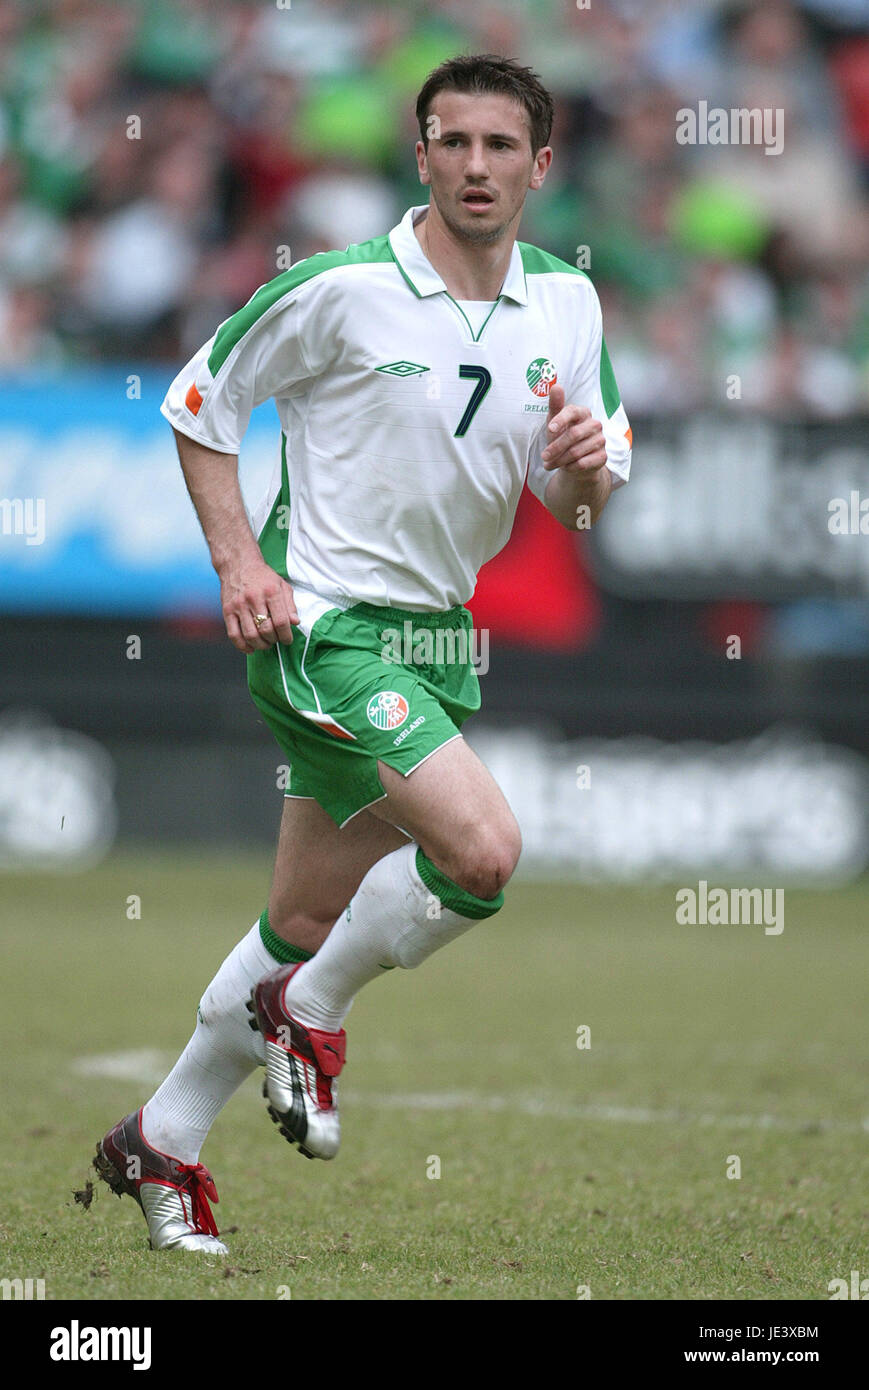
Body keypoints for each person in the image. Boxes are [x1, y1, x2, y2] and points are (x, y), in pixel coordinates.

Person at [93, 53, 633, 1254]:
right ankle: (310, 1011)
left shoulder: (568, 306)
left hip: (436, 639)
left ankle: (160, 1143)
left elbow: (579, 503)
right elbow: (198, 406)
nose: (476, 166)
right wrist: (241, 566)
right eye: (453, 142)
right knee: (483, 851)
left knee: (299, 913)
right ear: (422, 152)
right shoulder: (339, 289)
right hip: (322, 627)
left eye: (501, 147)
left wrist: (587, 468)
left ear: (539, 167)